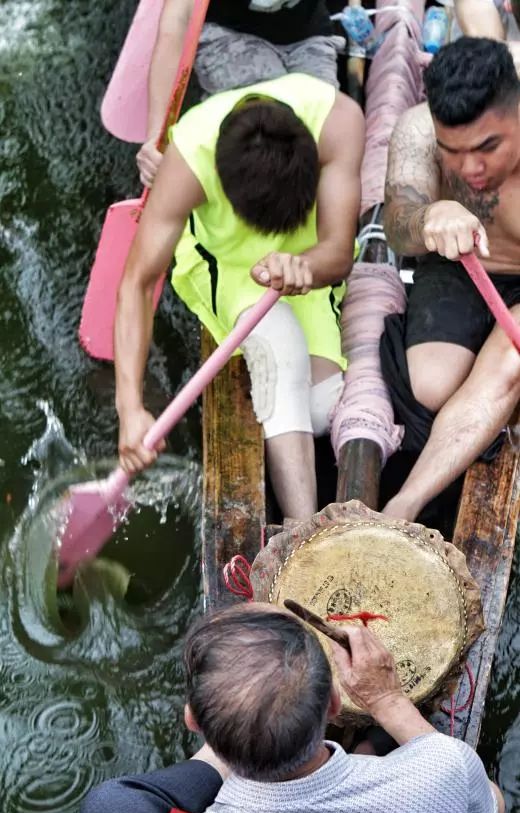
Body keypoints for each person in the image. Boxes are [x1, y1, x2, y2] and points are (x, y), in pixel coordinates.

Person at [78, 603, 505, 813]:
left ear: (193, 721)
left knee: (109, 808)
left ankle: (239, 746)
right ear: (336, 704)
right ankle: (357, 751)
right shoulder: (444, 770)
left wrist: (236, 725)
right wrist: (388, 701)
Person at [116, 73, 364, 520]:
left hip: (307, 266)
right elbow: (137, 281)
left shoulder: (338, 121)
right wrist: (130, 407)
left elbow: (338, 251)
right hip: (228, 267)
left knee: (321, 412)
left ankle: (273, 407)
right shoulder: (189, 160)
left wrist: (302, 266)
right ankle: (301, 531)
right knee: (281, 353)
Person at [380, 37, 520, 522]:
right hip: (458, 264)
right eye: (453, 152)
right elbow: (398, 224)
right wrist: (429, 216)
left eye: (488, 147)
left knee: (508, 363)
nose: (470, 168)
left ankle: (404, 504)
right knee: (432, 388)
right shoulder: (417, 128)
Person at [137, 0, 345, 187]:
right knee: (270, 127)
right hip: (226, 30)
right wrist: (156, 136)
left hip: (305, 33)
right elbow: (177, 24)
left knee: (327, 133)